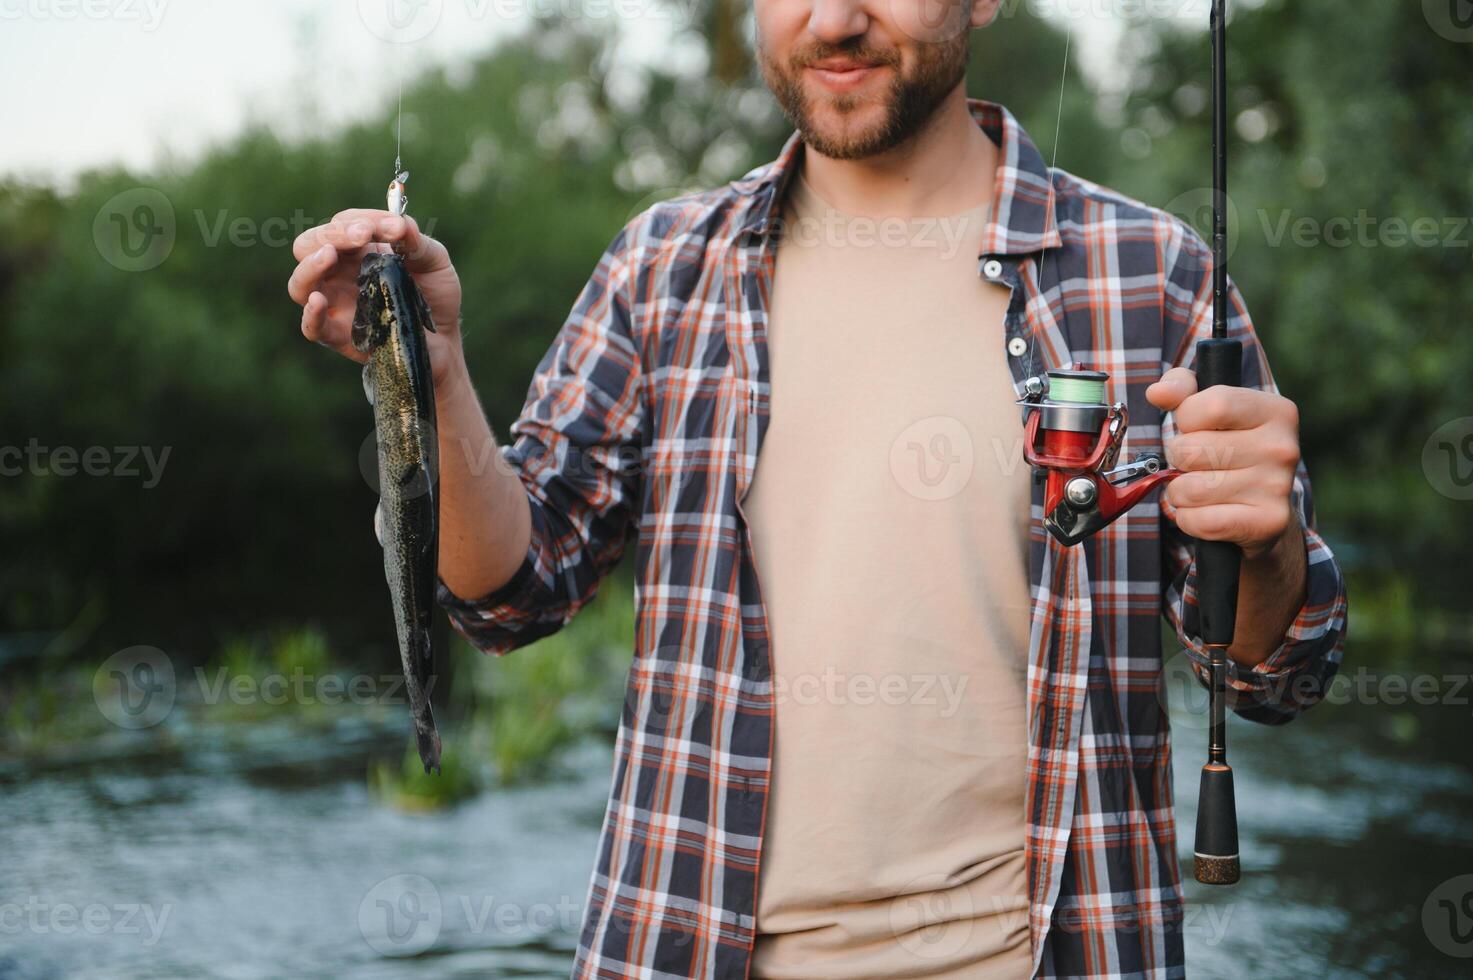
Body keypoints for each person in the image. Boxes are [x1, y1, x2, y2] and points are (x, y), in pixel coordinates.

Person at [286, 2, 1347, 977]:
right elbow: (512, 589)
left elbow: (1272, 673)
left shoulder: (1157, 272)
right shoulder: (661, 266)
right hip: (685, 943)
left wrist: (1264, 545)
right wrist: (434, 373)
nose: (835, 20)